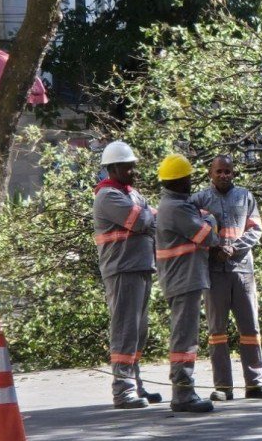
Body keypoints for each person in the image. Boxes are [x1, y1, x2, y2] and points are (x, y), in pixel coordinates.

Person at [193, 155, 262, 400]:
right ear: (210, 173)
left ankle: (255, 384)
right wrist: (214, 248)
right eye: (219, 171)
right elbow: (192, 230)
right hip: (213, 272)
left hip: (242, 270)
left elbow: (255, 229)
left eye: (227, 171)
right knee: (217, 331)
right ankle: (223, 387)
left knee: (250, 327)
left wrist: (234, 248)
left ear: (234, 173)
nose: (223, 175)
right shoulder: (199, 199)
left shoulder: (245, 196)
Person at [92, 140, 161, 409]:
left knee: (138, 332)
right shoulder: (108, 196)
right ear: (113, 168)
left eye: (133, 165)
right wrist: (148, 217)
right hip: (122, 270)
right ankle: (123, 390)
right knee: (125, 331)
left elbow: (155, 219)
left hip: (140, 267)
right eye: (127, 166)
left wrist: (150, 217)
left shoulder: (132, 194)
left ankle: (136, 384)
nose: (133, 170)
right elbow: (143, 220)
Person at [154, 154, 219, 413]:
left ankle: (184, 390)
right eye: (188, 178)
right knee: (184, 338)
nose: (191, 182)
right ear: (179, 181)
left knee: (185, 336)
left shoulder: (176, 205)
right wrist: (210, 219)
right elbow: (207, 237)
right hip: (184, 279)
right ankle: (183, 393)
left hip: (183, 278)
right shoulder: (177, 208)